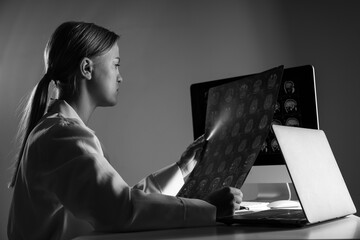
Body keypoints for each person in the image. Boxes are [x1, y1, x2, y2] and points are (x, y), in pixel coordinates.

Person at [7, 21, 243, 240]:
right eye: (116, 65)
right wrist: (209, 210)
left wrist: (181, 169)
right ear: (87, 68)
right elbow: (120, 210)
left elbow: (114, 202)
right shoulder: (63, 135)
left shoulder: (55, 130)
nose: (120, 77)